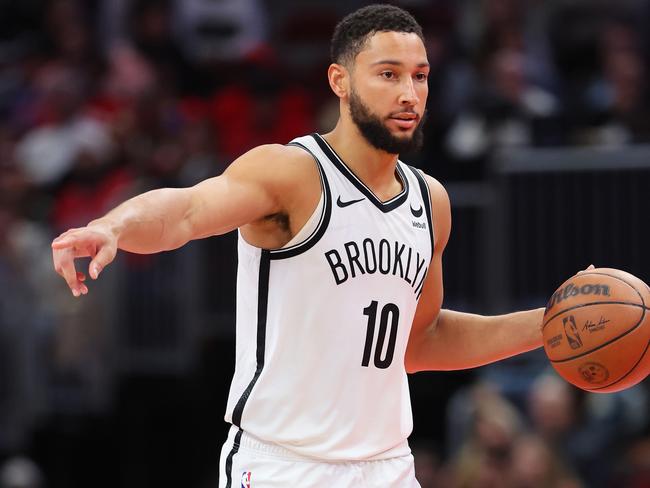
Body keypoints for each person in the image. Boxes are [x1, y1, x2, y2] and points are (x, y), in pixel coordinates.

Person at [52, 5, 545, 487]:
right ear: (340, 81)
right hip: (285, 467)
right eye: (388, 75)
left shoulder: (430, 201)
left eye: (420, 76)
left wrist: (550, 324)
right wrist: (114, 225)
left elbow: (420, 342)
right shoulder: (293, 172)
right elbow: (186, 211)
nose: (408, 93)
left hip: (388, 466)